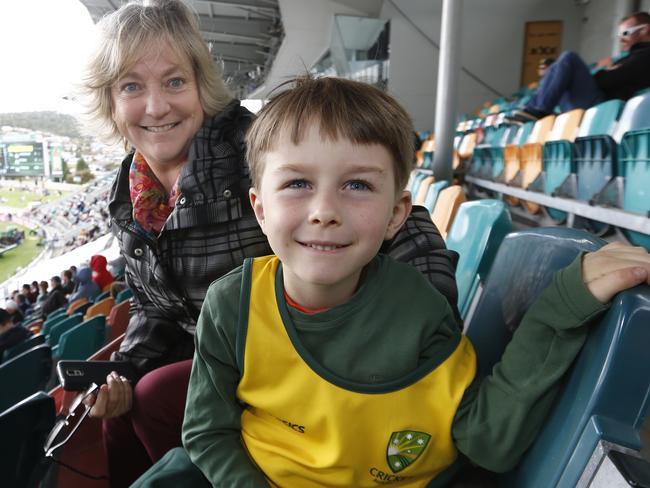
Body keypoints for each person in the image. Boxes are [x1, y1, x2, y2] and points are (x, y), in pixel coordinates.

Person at [130, 76, 650, 487]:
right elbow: (207, 431)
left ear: (397, 213)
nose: (324, 211)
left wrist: (562, 304)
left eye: (357, 184)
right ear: (259, 209)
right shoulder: (232, 304)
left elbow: (486, 439)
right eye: (297, 183)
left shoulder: (417, 310)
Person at [78, 2, 459, 487]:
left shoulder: (254, 144)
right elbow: (155, 309)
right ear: (109, 100)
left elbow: (402, 223)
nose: (156, 106)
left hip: (300, 356)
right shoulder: (127, 195)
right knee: (124, 407)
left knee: (158, 395)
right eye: (132, 86)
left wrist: (415, 336)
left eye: (175, 82)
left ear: (202, 86)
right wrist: (123, 372)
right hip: (222, 355)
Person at [510, 11, 650, 122]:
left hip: (603, 108)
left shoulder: (644, 55)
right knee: (556, 68)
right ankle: (532, 109)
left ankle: (541, 110)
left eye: (625, 33)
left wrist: (603, 72)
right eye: (619, 34)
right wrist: (607, 71)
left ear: (644, 30)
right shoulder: (630, 57)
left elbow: (608, 81)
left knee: (569, 58)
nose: (621, 39)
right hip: (596, 104)